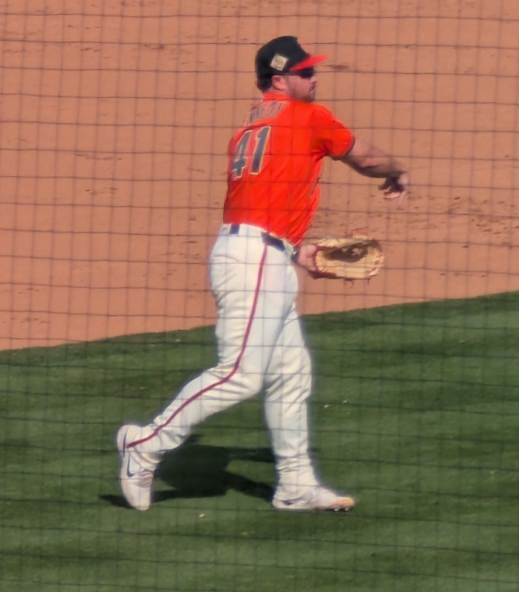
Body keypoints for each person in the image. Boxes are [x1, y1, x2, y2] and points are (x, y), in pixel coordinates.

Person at [117, 35, 409, 512]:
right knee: (239, 374)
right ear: (280, 79)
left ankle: (295, 486)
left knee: (291, 372)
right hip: (252, 263)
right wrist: (398, 171)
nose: (314, 78)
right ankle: (145, 445)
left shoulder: (250, 127)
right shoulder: (308, 117)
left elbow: (257, 206)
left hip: (258, 254)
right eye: (305, 72)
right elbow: (367, 157)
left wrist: (295, 252)